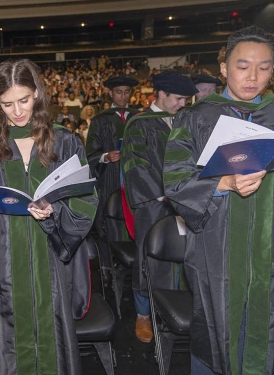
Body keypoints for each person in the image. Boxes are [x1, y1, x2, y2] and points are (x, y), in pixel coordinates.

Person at [0, 59, 98, 375]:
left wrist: (56, 210)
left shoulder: (65, 140)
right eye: (7, 104)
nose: (18, 111)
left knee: (50, 336)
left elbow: (86, 199)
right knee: (4, 342)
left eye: (24, 100)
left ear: (37, 94)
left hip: (48, 255)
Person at [163, 26, 274, 375]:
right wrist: (222, 182)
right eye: (243, 66)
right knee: (216, 337)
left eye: (265, 67)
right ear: (224, 68)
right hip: (216, 250)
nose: (253, 76)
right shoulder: (196, 117)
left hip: (269, 253)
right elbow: (175, 182)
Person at [121, 70, 198, 343]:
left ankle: (174, 309)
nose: (182, 104)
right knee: (149, 259)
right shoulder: (139, 123)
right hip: (154, 205)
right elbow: (135, 166)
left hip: (186, 203)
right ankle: (143, 315)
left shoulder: (184, 121)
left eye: (186, 100)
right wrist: (164, 195)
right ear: (161, 94)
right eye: (178, 98)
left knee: (187, 257)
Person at [86, 76, 139, 249]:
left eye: (126, 92)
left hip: (135, 178)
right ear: (110, 93)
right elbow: (91, 153)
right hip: (111, 177)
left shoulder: (139, 117)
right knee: (112, 220)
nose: (123, 97)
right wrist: (105, 156)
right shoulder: (100, 120)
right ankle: (112, 266)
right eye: (118, 92)